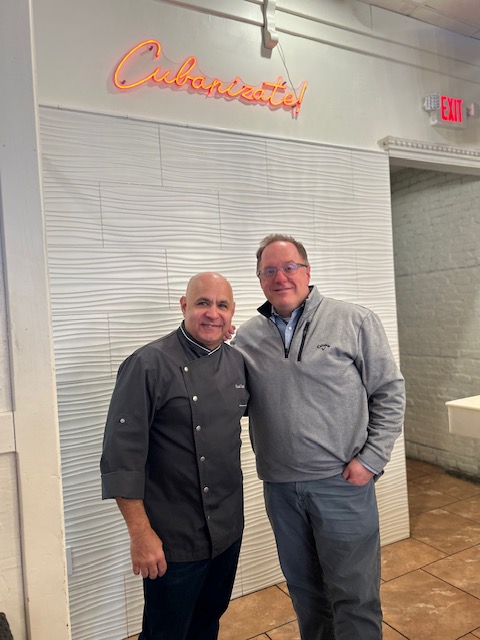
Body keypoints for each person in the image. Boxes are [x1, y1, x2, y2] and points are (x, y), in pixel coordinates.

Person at [232, 234, 405, 640]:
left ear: (307, 271)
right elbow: (237, 403)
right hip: (280, 488)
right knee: (306, 594)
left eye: (289, 267)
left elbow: (389, 392)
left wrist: (371, 460)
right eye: (269, 271)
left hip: (341, 484)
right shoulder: (247, 338)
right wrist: (214, 354)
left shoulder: (354, 320)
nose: (280, 277)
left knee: (354, 596)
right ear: (259, 279)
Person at [100, 272, 248, 640]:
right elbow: (122, 458)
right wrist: (141, 534)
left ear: (232, 314)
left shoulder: (237, 362)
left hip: (228, 529)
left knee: (208, 621)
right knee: (165, 632)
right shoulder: (147, 364)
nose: (212, 313)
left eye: (222, 305)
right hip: (173, 539)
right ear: (184, 306)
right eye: (202, 303)